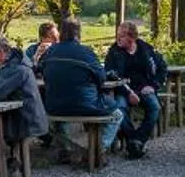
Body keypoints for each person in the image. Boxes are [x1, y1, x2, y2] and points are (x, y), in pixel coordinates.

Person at [39, 18, 122, 162]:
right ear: (78, 34)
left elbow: (41, 72)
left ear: (61, 33)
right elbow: (101, 78)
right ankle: (97, 151)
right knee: (117, 114)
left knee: (58, 120)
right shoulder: (86, 53)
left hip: (54, 106)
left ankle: (67, 149)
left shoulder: (49, 52)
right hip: (85, 105)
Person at [104, 19, 169, 160]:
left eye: (122, 36)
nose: (118, 39)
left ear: (132, 37)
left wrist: (153, 85)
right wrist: (128, 92)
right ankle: (133, 141)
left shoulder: (146, 49)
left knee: (155, 107)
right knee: (120, 108)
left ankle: (137, 140)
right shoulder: (113, 52)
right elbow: (109, 73)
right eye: (117, 35)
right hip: (123, 90)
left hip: (145, 89)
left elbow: (162, 68)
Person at [0, 35, 47, 168]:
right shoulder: (6, 65)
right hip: (16, 117)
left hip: (24, 120)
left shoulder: (17, 69)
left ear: (0, 52)